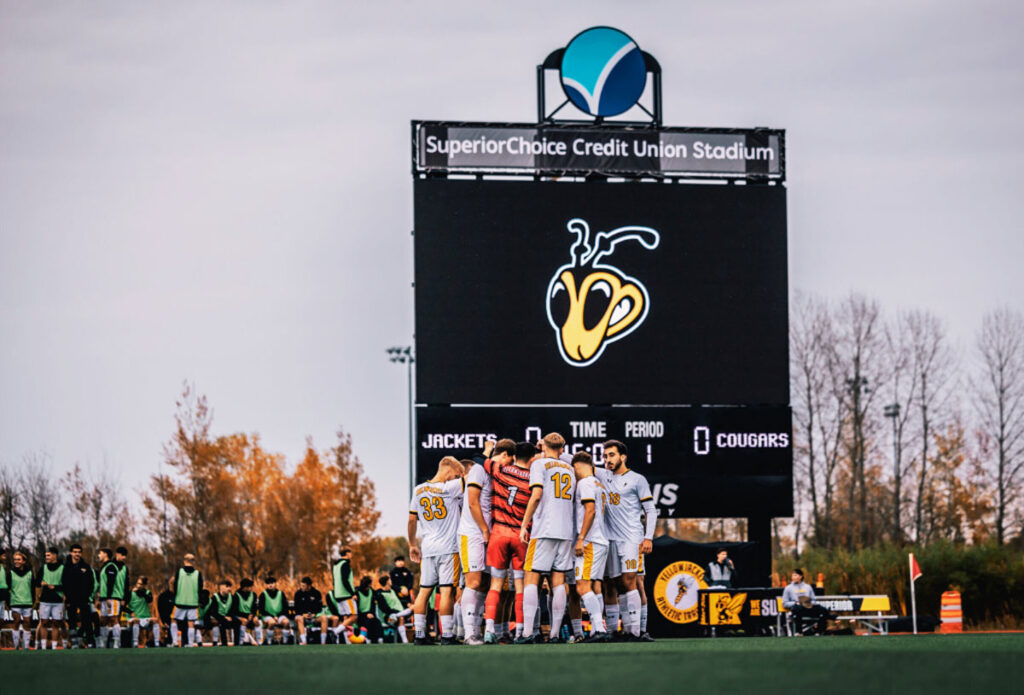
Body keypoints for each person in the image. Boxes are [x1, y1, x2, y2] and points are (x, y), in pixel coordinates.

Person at [518, 432, 577, 644]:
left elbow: (536, 495)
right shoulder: (570, 469)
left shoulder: (538, 465)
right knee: (558, 581)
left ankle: (527, 633)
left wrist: (525, 524)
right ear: (562, 448)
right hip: (565, 530)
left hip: (544, 528)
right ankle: (554, 635)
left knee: (531, 578)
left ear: (543, 446)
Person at [596, 439, 657, 640]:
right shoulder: (603, 475)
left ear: (623, 456)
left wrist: (648, 537)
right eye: (605, 456)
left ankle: (636, 631)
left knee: (631, 580)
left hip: (632, 538)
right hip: (610, 539)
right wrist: (550, 448)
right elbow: (579, 461)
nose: (607, 460)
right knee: (612, 584)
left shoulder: (637, 479)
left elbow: (650, 510)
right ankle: (614, 631)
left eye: (611, 455)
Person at [408, 455, 465, 645]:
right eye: (455, 474)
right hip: (448, 548)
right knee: (447, 591)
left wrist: (412, 545)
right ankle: (447, 635)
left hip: (428, 547)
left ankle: (419, 635)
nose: (456, 478)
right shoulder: (449, 488)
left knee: (424, 591)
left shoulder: (418, 490)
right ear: (448, 470)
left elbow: (411, 520)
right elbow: (474, 479)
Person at [482, 440, 533, 643]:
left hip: (498, 533)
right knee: (520, 586)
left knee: (495, 585)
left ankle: (488, 630)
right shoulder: (533, 478)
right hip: (521, 535)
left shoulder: (501, 470)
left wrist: (488, 450)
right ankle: (520, 630)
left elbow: (481, 460)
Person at [571, 452, 611, 642]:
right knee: (595, 586)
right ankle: (598, 628)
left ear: (577, 466)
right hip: (601, 539)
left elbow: (590, 510)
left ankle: (599, 628)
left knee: (582, 586)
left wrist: (581, 538)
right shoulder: (599, 484)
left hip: (590, 541)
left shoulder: (585, 483)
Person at [457, 446, 494, 644]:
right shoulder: (477, 471)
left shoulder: (488, 473)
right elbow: (472, 503)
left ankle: (475, 629)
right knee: (472, 582)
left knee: (483, 583)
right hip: (471, 534)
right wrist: (484, 529)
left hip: (485, 535)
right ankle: (468, 632)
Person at [96, 546, 129, 648]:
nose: (123, 558)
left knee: (114, 619)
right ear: (117, 554)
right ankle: (103, 641)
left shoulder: (114, 567)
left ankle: (116, 642)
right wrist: (100, 594)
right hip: (106, 597)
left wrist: (123, 598)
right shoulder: (108, 565)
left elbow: (117, 583)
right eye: (122, 555)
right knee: (103, 620)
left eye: (100, 553)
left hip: (113, 597)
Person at [63, 543, 94, 648]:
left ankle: (88, 642)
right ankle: (74, 643)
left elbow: (91, 582)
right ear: (71, 553)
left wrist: (88, 594)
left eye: (79, 552)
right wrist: (66, 595)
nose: (77, 554)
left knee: (86, 620)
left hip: (83, 598)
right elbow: (64, 582)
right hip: (71, 599)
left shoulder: (85, 566)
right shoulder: (66, 567)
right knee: (72, 621)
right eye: (75, 552)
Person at [170, 552, 204, 646]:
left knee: (173, 620)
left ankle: (175, 641)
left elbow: (175, 586)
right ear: (193, 562)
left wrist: (174, 598)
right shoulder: (198, 574)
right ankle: (190, 644)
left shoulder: (179, 572)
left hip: (179, 601)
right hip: (193, 603)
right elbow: (200, 588)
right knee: (191, 624)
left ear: (184, 561)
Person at [783, 568, 830, 635]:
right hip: (797, 609)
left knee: (822, 610)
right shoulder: (788, 588)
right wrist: (795, 603)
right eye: (792, 575)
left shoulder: (808, 587)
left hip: (808, 608)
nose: (793, 577)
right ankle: (799, 632)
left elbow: (814, 600)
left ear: (800, 576)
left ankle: (819, 632)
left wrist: (810, 603)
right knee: (798, 609)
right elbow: (785, 603)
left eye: (795, 575)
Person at [37, 546, 66, 649]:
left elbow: (67, 585)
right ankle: (44, 647)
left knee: (56, 623)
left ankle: (54, 647)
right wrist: (41, 583)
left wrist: (55, 587)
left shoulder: (63, 568)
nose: (47, 557)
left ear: (55, 555)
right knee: (44, 622)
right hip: (45, 599)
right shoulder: (43, 568)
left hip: (57, 600)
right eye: (46, 556)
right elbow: (37, 582)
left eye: (48, 555)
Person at [8, 549, 35, 650]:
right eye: (15, 559)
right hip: (15, 602)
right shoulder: (10, 573)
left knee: (27, 623)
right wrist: (8, 601)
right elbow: (8, 588)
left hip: (27, 602)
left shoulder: (30, 573)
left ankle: (26, 647)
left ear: (23, 561)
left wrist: (33, 601)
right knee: (16, 622)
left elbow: (32, 588)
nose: (16, 561)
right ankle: (16, 646)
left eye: (18, 559)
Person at [330, 547, 357, 643]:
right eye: (350, 553)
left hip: (337, 594)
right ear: (347, 554)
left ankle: (347, 641)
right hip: (346, 595)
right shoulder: (345, 564)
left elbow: (335, 581)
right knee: (353, 616)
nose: (351, 555)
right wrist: (352, 593)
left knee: (346, 618)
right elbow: (345, 580)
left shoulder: (335, 565)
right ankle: (335, 632)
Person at [375, 574, 412, 643]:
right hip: (389, 620)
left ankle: (421, 636)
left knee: (415, 608)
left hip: (400, 614)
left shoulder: (392, 591)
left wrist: (407, 604)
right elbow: (385, 609)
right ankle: (405, 641)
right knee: (400, 618)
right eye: (390, 580)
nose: (391, 581)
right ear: (387, 582)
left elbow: (398, 601)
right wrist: (396, 613)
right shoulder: (379, 594)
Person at [293, 576, 326, 645]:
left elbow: (319, 607)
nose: (302, 587)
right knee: (299, 618)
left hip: (313, 617)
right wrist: (303, 614)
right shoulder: (298, 594)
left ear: (309, 586)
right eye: (301, 585)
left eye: (304, 586)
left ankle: (323, 642)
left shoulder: (317, 593)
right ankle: (304, 642)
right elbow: (296, 608)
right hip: (302, 617)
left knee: (324, 618)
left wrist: (314, 614)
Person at [127, 576, 159, 648]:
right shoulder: (130, 593)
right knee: (136, 621)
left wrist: (141, 592)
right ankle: (135, 642)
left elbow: (149, 600)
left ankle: (157, 643)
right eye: (137, 584)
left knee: (155, 621)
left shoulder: (147, 593)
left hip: (145, 618)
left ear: (144, 585)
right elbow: (122, 606)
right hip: (133, 618)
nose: (138, 586)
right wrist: (130, 612)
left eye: (141, 584)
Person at [258, 576, 291, 644]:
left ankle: (285, 641)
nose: (270, 585)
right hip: (267, 616)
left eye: (272, 583)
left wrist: (278, 616)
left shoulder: (281, 593)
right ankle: (269, 640)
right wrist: (273, 617)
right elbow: (261, 609)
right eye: (268, 583)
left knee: (287, 622)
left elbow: (285, 607)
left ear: (275, 584)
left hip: (280, 615)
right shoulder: (263, 594)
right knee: (272, 623)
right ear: (266, 585)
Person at [207, 580, 237, 646]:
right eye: (227, 586)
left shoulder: (232, 597)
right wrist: (223, 617)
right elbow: (213, 612)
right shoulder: (214, 597)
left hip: (228, 617)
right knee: (221, 622)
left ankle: (237, 643)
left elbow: (234, 609)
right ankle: (224, 643)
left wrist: (230, 616)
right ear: (221, 587)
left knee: (237, 622)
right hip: (218, 617)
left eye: (230, 587)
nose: (229, 589)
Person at [355, 575, 384, 643]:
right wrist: (365, 615)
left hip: (370, 614)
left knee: (377, 622)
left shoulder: (371, 591)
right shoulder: (357, 593)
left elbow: (376, 599)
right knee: (366, 622)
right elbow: (356, 609)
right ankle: (367, 638)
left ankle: (380, 638)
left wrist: (371, 613)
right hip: (360, 616)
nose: (370, 586)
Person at [231, 578, 259, 646]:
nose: (251, 588)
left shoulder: (253, 595)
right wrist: (246, 616)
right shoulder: (236, 595)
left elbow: (254, 608)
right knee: (244, 621)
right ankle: (241, 642)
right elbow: (234, 611)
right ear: (245, 587)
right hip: (239, 615)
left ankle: (259, 642)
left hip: (249, 615)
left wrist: (253, 615)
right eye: (250, 587)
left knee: (257, 621)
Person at [156, 577, 176, 647]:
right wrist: (164, 622)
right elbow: (161, 610)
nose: (173, 585)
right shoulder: (163, 596)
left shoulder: (180, 596)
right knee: (170, 624)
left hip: (179, 619)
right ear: (169, 584)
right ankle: (169, 642)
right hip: (168, 619)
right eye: (172, 584)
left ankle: (185, 643)